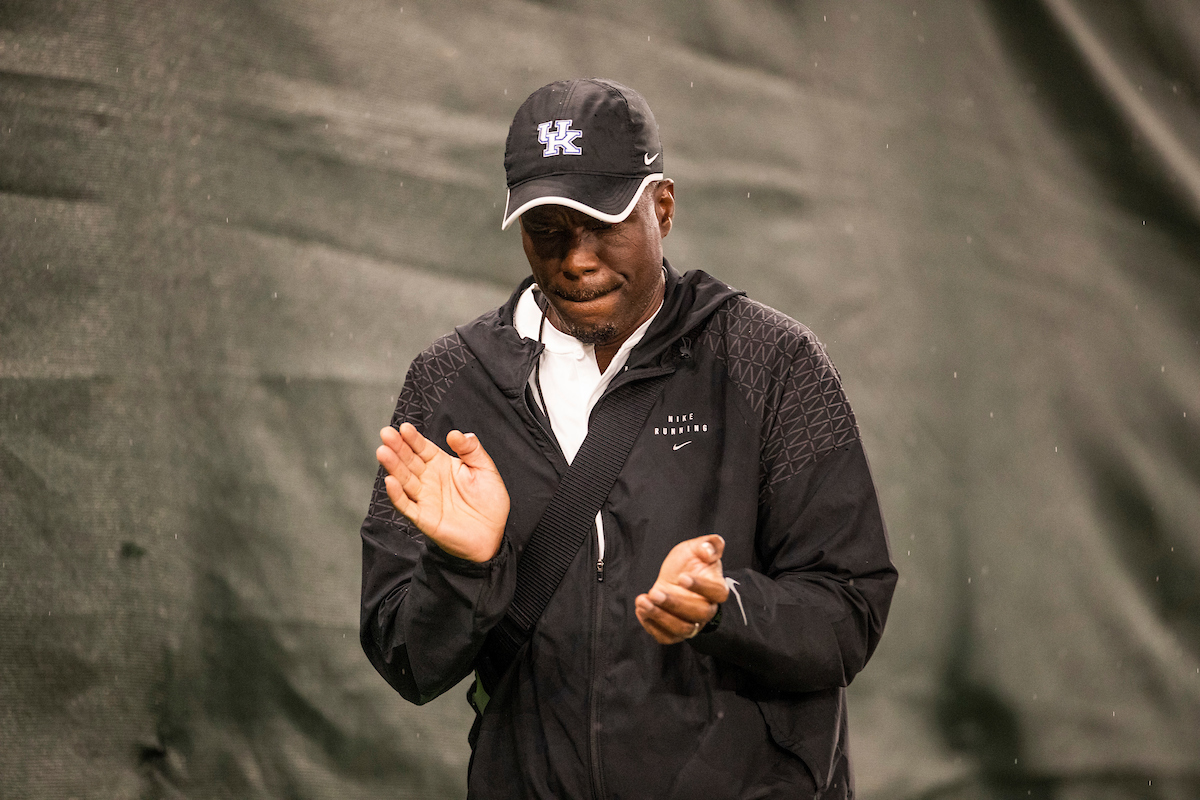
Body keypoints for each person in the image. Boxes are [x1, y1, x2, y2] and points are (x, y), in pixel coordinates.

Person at [360, 78, 897, 799]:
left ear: (663, 209)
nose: (574, 260)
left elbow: (850, 611)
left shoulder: (772, 361)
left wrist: (726, 606)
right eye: (546, 227)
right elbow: (407, 661)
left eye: (602, 222)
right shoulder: (449, 381)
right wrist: (463, 566)